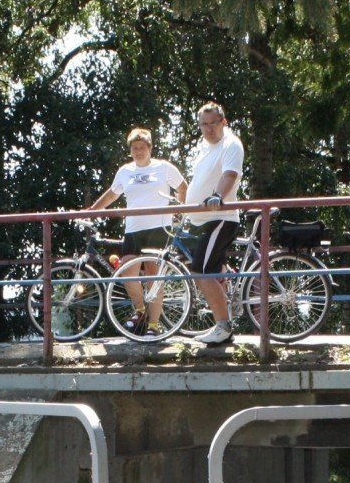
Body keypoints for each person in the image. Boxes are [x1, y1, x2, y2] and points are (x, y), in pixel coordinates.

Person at [87, 127, 185, 334]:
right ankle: (140, 311)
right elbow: (113, 193)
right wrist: (93, 210)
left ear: (150, 148)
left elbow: (183, 186)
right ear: (130, 150)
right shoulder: (124, 171)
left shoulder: (164, 167)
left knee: (153, 277)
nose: (138, 151)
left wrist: (179, 209)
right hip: (133, 228)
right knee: (127, 273)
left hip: (158, 227)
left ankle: (154, 325)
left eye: (142, 147)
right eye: (134, 148)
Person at [181, 102, 245, 346]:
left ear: (224, 122)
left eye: (213, 123)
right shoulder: (205, 148)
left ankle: (223, 326)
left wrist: (217, 196)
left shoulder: (231, 144)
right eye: (203, 124)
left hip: (220, 218)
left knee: (201, 272)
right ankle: (227, 288)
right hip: (201, 220)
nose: (208, 129)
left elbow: (230, 174)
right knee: (205, 267)